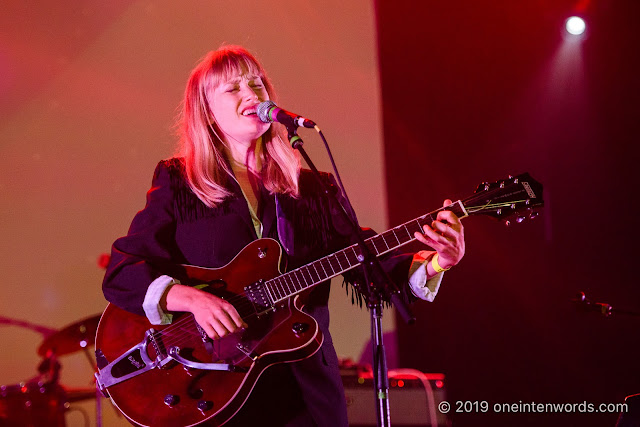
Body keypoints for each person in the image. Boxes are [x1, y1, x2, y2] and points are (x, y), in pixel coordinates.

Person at [102, 45, 465, 426]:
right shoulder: (181, 183)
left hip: (304, 394)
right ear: (207, 112)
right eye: (233, 88)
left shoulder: (313, 189)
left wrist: (438, 260)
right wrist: (191, 299)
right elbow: (123, 269)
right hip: (219, 384)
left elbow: (366, 263)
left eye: (257, 84)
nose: (252, 95)